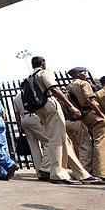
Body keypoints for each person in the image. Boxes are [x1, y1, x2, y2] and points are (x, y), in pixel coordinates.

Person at [29, 57, 101, 185]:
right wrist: (71, 106)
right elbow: (54, 89)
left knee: (65, 140)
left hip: (39, 109)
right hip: (50, 105)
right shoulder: (44, 72)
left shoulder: (30, 76)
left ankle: (82, 174)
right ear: (43, 63)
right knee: (57, 139)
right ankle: (57, 174)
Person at [67, 67, 105, 180]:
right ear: (78, 74)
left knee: (95, 141)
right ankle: (100, 172)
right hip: (92, 114)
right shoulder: (83, 83)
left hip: (84, 116)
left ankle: (95, 170)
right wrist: (100, 113)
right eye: (84, 72)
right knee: (100, 142)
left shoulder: (70, 86)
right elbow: (89, 100)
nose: (86, 74)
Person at [13, 92, 50, 181]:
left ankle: (39, 173)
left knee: (33, 147)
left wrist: (19, 126)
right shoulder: (30, 94)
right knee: (48, 142)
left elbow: (16, 114)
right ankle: (45, 168)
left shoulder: (16, 98)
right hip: (32, 116)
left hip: (23, 119)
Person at [58, 86, 93, 173]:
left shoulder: (56, 99)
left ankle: (79, 169)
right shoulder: (69, 96)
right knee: (85, 145)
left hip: (64, 123)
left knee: (75, 146)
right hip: (74, 121)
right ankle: (86, 170)